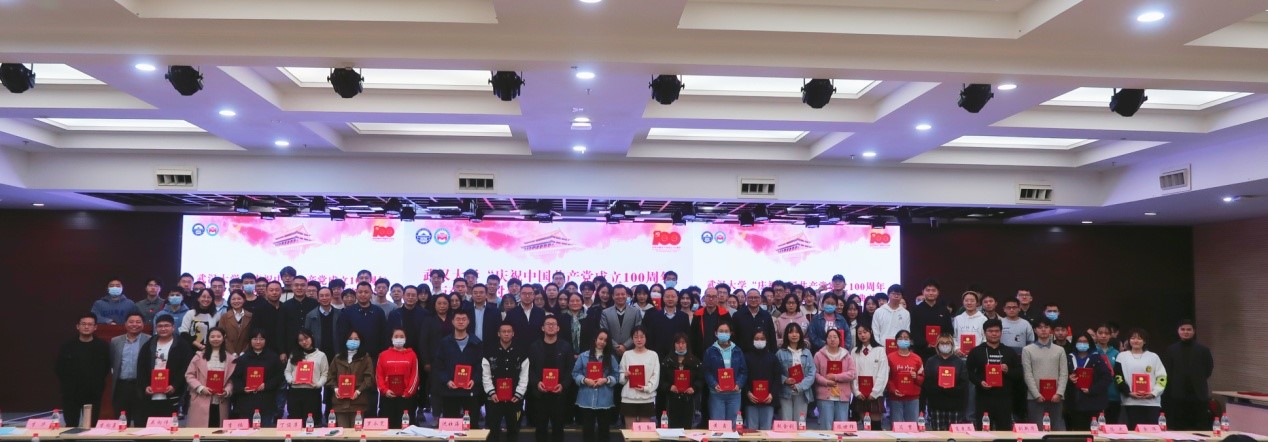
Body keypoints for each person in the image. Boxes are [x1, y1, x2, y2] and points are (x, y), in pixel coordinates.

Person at [134, 314, 194, 423]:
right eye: (160, 326)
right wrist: (145, 386)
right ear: (156, 328)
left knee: (169, 425)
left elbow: (186, 368)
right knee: (151, 424)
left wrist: (175, 385)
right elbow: (141, 368)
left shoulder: (182, 345)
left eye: (166, 326)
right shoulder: (148, 345)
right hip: (151, 393)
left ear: (173, 327)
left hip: (171, 392)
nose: (163, 328)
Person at [56, 313, 111, 427]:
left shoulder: (102, 346)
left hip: (93, 394)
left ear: (95, 327)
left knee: (91, 426)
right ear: (77, 326)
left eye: (90, 324)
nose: (86, 327)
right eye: (83, 324)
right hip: (71, 394)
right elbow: (59, 368)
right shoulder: (67, 346)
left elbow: (106, 368)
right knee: (71, 425)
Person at [968, 318, 1022, 431]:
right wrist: (980, 382)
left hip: (1004, 398)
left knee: (1004, 432)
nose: (994, 334)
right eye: (990, 331)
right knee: (983, 431)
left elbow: (1019, 373)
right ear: (984, 333)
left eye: (997, 331)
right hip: (983, 397)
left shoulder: (1010, 352)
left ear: (1001, 333)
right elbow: (969, 373)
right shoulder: (976, 351)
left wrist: (1008, 370)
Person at [529, 315, 575, 442]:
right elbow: (529, 369)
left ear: (558, 328)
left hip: (559, 395)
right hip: (540, 395)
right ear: (542, 328)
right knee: (540, 430)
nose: (550, 326)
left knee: (558, 430)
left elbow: (571, 370)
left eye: (553, 324)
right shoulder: (534, 346)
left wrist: (563, 385)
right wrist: (537, 383)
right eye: (547, 324)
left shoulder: (566, 347)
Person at [1162, 319, 1213, 430]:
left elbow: (1208, 369)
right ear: (1178, 331)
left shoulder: (1203, 350)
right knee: (1179, 427)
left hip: (1198, 394)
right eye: (1183, 329)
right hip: (1177, 394)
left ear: (1194, 331)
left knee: (1200, 427)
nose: (1186, 332)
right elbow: (1167, 370)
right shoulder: (1171, 350)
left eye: (1189, 329)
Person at [436, 311, 484, 424]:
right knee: (450, 426)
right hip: (450, 391)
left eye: (464, 319)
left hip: (471, 390)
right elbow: (439, 366)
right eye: (458, 319)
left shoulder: (476, 343)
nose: (461, 322)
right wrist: (447, 381)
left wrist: (474, 380)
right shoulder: (444, 343)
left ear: (468, 321)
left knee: (472, 425)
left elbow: (481, 366)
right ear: (452, 322)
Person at [483, 322, 529, 441]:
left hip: (514, 399)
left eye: (509, 331)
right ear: (498, 334)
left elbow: (524, 376)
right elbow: (486, 375)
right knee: (492, 432)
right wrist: (491, 392)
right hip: (494, 399)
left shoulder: (521, 351)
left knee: (513, 431)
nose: (506, 334)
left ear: (513, 333)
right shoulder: (489, 351)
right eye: (503, 331)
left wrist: (519, 393)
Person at [1114, 328, 1167, 430]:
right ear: (1129, 340)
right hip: (1130, 402)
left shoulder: (1153, 357)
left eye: (1139, 338)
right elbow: (1118, 377)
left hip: (1152, 403)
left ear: (1145, 341)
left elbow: (1162, 377)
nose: (1136, 341)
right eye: (1133, 338)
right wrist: (1128, 392)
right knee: (1132, 433)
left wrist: (1154, 393)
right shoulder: (1122, 356)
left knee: (1151, 433)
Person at [1022, 317, 1068, 430]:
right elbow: (1027, 374)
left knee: (1056, 429)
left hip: (1056, 397)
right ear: (1035, 330)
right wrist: (1036, 394)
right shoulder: (1027, 350)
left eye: (1046, 327)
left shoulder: (1060, 350)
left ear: (1050, 330)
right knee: (1037, 430)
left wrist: (1059, 393)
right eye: (1040, 327)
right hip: (1035, 397)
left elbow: (1064, 373)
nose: (1043, 330)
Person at [230, 328, 283, 425]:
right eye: (255, 339)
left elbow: (279, 376)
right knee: (246, 432)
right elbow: (235, 378)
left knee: (265, 431)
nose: (258, 342)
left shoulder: (273, 358)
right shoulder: (242, 359)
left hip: (266, 401)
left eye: (261, 339)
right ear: (250, 341)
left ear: (266, 340)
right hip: (246, 402)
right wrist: (243, 388)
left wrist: (267, 385)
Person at [184, 327, 236, 427]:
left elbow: (231, 380)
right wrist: (200, 388)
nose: (215, 339)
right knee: (201, 431)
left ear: (223, 338)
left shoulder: (230, 358)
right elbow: (189, 375)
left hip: (221, 401)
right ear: (208, 338)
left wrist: (226, 391)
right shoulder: (198, 356)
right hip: (201, 399)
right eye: (212, 336)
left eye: (218, 336)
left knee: (218, 430)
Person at [575, 329, 619, 442]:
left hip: (604, 400)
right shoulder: (583, 356)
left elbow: (617, 376)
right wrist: (584, 380)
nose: (602, 342)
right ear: (595, 339)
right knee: (587, 432)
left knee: (604, 433)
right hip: (586, 399)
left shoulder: (611, 358)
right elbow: (575, 373)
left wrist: (606, 380)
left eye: (605, 340)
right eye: (600, 339)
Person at [109, 313, 150, 426]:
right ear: (125, 324)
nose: (134, 324)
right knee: (121, 421)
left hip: (141, 386)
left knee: (141, 421)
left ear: (143, 324)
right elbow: (112, 362)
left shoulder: (149, 340)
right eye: (131, 322)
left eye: (138, 322)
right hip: (122, 386)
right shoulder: (115, 341)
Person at [327, 330, 375, 428]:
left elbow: (369, 378)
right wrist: (336, 389)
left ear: (361, 341)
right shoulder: (337, 358)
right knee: (343, 432)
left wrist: (358, 391)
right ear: (345, 340)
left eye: (356, 339)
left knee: (357, 432)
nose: (353, 341)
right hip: (340, 403)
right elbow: (330, 377)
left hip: (358, 402)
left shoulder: (365, 358)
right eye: (350, 339)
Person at [923, 333, 969, 430]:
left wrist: (950, 389)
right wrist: (940, 388)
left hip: (955, 405)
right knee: (938, 434)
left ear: (952, 345)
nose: (945, 345)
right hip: (936, 405)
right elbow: (927, 382)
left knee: (954, 435)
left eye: (948, 343)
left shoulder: (959, 362)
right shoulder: (931, 361)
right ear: (937, 345)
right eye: (942, 343)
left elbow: (964, 383)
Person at [1065, 334, 1111, 430]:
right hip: (1074, 403)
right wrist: (1069, 378)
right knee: (1078, 432)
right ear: (1075, 343)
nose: (1082, 344)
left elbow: (1107, 378)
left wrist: (1092, 389)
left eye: (1085, 342)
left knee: (1094, 432)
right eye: (1079, 341)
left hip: (1094, 402)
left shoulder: (1097, 358)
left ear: (1090, 343)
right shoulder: (1069, 357)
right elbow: (1062, 376)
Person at [814, 328, 857, 429]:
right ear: (826, 340)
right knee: (826, 428)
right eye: (829, 337)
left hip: (842, 397)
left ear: (839, 339)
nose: (832, 339)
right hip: (825, 397)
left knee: (841, 427)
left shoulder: (846, 355)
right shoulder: (819, 355)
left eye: (835, 337)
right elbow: (815, 374)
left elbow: (852, 374)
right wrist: (826, 382)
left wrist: (836, 377)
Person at [285, 329, 329, 426]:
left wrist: (318, 384)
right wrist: (291, 380)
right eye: (300, 340)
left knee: (312, 424)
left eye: (306, 338)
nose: (304, 342)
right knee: (295, 424)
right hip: (295, 392)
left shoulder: (321, 355)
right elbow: (287, 371)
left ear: (312, 337)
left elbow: (325, 374)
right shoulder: (294, 354)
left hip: (312, 393)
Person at [375, 328, 417, 429]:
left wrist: (408, 392)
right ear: (391, 338)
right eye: (396, 336)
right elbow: (378, 375)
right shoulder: (383, 355)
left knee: (405, 428)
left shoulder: (412, 355)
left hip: (405, 398)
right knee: (388, 428)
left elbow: (415, 376)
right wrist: (385, 390)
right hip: (388, 397)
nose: (399, 339)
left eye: (401, 337)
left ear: (406, 339)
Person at [619, 326, 660, 427]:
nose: (639, 339)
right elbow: (621, 377)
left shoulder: (653, 355)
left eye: (642, 336)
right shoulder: (627, 355)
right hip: (629, 397)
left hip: (646, 398)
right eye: (636, 337)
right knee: (629, 432)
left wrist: (646, 388)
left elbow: (655, 376)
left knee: (644, 432)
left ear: (646, 338)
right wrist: (625, 376)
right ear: (632, 339)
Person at [659, 333, 702, 429]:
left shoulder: (695, 361)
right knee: (673, 429)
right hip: (672, 399)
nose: (681, 345)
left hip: (688, 399)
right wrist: (669, 387)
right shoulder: (667, 361)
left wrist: (694, 388)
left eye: (683, 343)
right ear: (674, 344)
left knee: (687, 428)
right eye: (678, 343)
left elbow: (700, 379)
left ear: (687, 344)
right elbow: (661, 381)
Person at [850, 324, 887, 429]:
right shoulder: (854, 351)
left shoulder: (880, 350)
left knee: (876, 427)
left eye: (865, 332)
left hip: (875, 394)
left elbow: (883, 373)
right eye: (859, 333)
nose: (862, 335)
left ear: (870, 332)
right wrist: (856, 392)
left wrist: (875, 392)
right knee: (865, 426)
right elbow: (853, 373)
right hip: (860, 394)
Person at [336, 282, 388, 357]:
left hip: (374, 355)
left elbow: (384, 334)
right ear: (356, 294)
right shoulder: (347, 312)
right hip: (353, 355)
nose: (363, 294)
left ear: (371, 293)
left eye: (366, 292)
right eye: (360, 292)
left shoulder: (379, 311)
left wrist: (382, 352)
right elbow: (342, 335)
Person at [743, 329, 779, 430]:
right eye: (756, 338)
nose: (759, 341)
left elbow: (777, 378)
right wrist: (748, 393)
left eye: (762, 339)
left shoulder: (773, 358)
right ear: (752, 340)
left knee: (766, 430)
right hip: (751, 400)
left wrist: (772, 394)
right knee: (751, 430)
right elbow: (743, 376)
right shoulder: (746, 357)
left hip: (768, 400)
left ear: (766, 341)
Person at [886, 329, 924, 426]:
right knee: (896, 427)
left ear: (911, 341)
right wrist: (893, 390)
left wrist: (916, 377)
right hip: (896, 398)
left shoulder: (917, 359)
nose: (903, 340)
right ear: (896, 341)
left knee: (912, 427)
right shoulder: (890, 357)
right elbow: (887, 378)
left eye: (906, 338)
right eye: (900, 338)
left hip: (913, 398)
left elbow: (922, 379)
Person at [909, 280, 953, 359]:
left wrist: (941, 342)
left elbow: (949, 330)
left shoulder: (944, 310)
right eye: (928, 290)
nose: (931, 293)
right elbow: (914, 330)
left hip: (941, 350)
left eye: (933, 290)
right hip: (921, 350)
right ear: (923, 292)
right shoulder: (916, 310)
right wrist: (926, 343)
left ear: (938, 292)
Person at [600, 284, 643, 358]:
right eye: (617, 294)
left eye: (623, 294)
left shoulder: (635, 311)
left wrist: (625, 345)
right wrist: (616, 347)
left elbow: (638, 331)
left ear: (627, 295)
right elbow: (604, 332)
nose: (620, 296)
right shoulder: (605, 313)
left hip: (631, 351)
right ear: (613, 296)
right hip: (611, 352)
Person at [281, 276, 320, 356]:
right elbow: (281, 329)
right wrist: (282, 351)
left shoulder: (315, 304)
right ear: (292, 287)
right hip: (292, 346)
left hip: (313, 346)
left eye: (302, 285)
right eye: (296, 285)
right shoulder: (285, 306)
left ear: (307, 287)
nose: (299, 288)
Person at [732, 289, 777, 353]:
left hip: (763, 354)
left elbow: (772, 337)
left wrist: (773, 354)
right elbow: (733, 337)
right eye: (750, 297)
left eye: (756, 297)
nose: (753, 300)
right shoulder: (737, 315)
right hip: (742, 354)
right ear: (746, 299)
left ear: (760, 299)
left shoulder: (766, 315)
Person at [691, 287, 731, 358]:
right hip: (701, 354)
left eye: (714, 297)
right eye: (708, 296)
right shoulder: (697, 315)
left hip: (720, 353)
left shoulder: (725, 314)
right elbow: (693, 336)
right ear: (704, 298)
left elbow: (730, 334)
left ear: (717, 298)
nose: (711, 299)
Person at [871, 286, 911, 353]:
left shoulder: (905, 313)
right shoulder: (879, 311)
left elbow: (906, 331)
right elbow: (875, 330)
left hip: (900, 348)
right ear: (888, 294)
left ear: (902, 296)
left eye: (898, 294)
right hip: (881, 347)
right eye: (893, 293)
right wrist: (880, 346)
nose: (896, 296)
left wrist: (903, 346)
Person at [508, 285, 547, 349]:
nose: (527, 296)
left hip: (537, 349)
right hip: (517, 349)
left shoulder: (541, 312)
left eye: (530, 293)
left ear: (534, 295)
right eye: (524, 293)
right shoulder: (512, 313)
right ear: (519, 295)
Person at [218, 290, 254, 355]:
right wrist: (232, 353)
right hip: (228, 352)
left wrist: (244, 352)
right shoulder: (224, 317)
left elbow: (252, 336)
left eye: (239, 299)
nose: (236, 301)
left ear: (244, 300)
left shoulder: (250, 316)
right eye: (233, 299)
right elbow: (221, 335)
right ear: (230, 301)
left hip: (246, 353)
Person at [953, 291, 987, 357]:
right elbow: (954, 337)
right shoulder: (958, 319)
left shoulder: (983, 319)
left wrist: (979, 350)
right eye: (966, 300)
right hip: (960, 355)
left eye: (972, 301)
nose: (969, 303)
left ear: (977, 303)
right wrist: (956, 349)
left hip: (977, 356)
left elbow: (985, 339)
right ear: (963, 302)